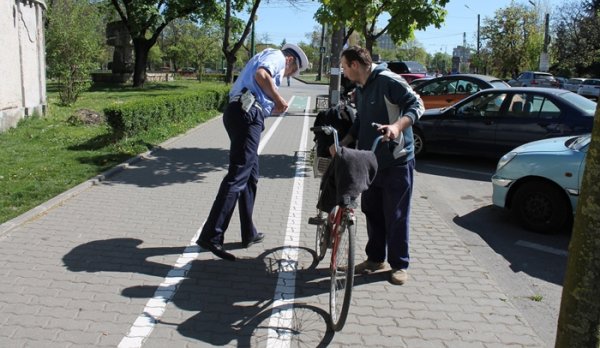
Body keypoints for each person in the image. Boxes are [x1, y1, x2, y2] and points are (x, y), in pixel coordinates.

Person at [197, 43, 308, 261]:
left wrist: (270, 102)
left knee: (250, 177)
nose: (286, 76)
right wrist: (278, 99)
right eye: (289, 73)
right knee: (238, 175)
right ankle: (211, 235)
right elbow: (261, 75)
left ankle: (249, 232)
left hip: (241, 112)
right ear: (290, 61)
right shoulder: (277, 56)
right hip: (247, 114)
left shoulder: (265, 55)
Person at [334, 46, 424, 285]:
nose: (343, 72)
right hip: (370, 161)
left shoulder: (387, 80)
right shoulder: (361, 88)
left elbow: (417, 105)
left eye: (344, 66)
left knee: (396, 214)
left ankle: (400, 265)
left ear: (355, 65)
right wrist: (344, 141)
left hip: (396, 161)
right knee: (371, 211)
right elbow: (362, 120)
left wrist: (396, 127)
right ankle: (375, 259)